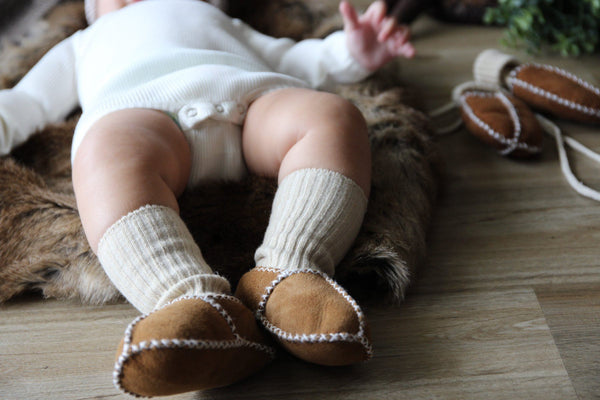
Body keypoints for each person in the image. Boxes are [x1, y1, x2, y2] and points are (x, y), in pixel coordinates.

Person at [0, 0, 415, 396]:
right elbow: (28, 101)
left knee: (332, 115)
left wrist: (350, 52)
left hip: (252, 104)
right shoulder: (84, 42)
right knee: (103, 156)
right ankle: (189, 302)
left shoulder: (220, 21)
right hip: (142, 116)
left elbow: (298, 59)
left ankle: (291, 271)